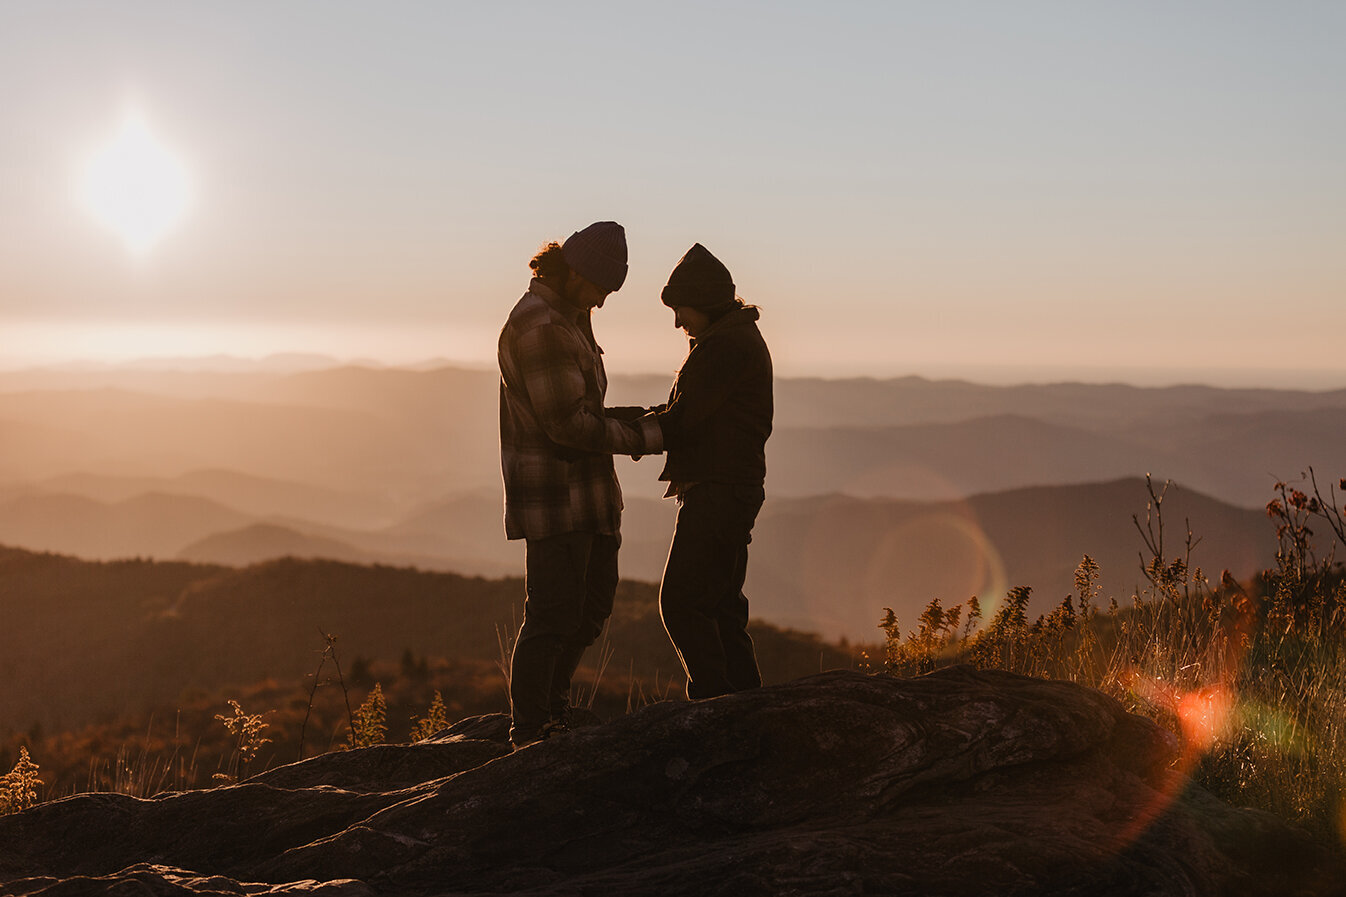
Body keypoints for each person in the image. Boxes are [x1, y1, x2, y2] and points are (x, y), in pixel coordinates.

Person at [497, 221, 667, 747]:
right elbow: (566, 426)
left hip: (590, 498)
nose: (602, 301)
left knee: (588, 612)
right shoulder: (541, 326)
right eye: (600, 288)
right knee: (553, 615)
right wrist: (644, 436)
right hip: (558, 500)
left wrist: (637, 416)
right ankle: (530, 727)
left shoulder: (569, 318)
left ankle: (550, 709)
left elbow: (583, 410)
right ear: (574, 273)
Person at [653, 243, 773, 699]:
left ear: (702, 302)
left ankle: (713, 702)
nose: (678, 321)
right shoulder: (731, 339)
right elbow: (684, 411)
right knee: (721, 605)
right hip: (733, 487)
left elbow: (681, 421)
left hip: (720, 491)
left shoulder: (724, 346)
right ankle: (745, 702)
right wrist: (621, 418)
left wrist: (612, 435)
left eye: (680, 309)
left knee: (681, 602)